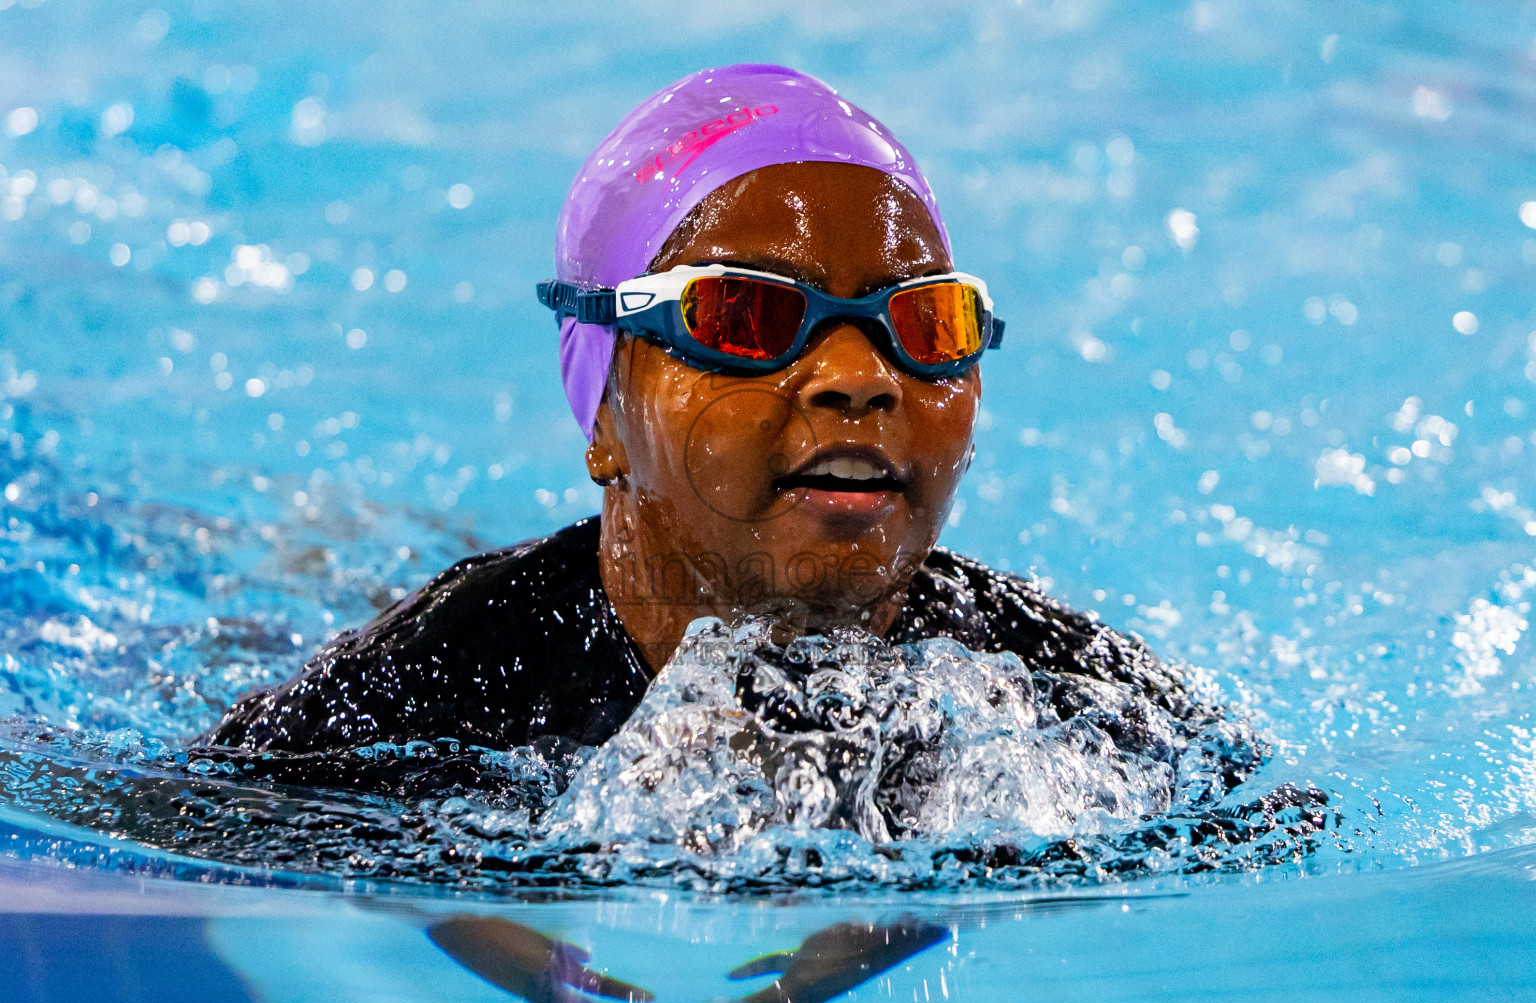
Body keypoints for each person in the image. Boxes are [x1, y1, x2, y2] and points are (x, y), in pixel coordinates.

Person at [207, 64, 1225, 775]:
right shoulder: (426, 692)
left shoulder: (1072, 701)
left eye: (925, 321)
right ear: (605, 411)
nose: (858, 378)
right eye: (746, 316)